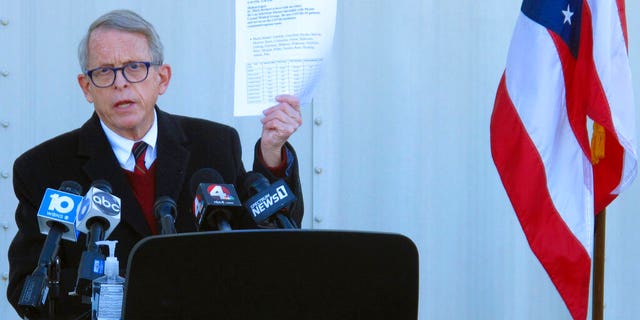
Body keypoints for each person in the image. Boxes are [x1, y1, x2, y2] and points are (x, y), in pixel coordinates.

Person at [7, 9, 303, 319]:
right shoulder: (43, 169)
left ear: (161, 79)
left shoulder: (214, 145)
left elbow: (264, 245)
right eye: (105, 71)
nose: (120, 83)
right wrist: (127, 291)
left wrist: (271, 154)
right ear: (86, 87)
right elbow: (27, 287)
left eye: (135, 67)